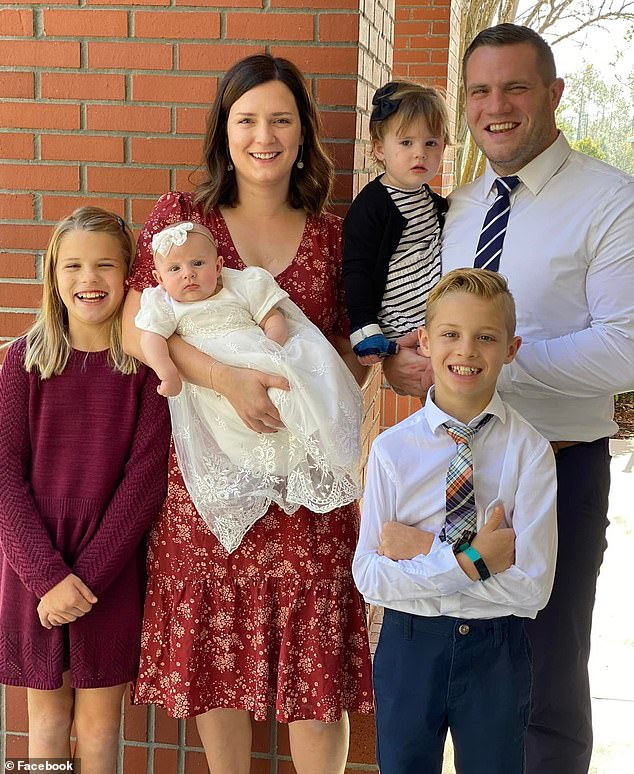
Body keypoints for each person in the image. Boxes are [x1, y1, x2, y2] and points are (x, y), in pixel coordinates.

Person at [386, 23, 634, 774]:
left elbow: (626, 346)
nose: (497, 106)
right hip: (443, 474)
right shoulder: (453, 208)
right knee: (445, 678)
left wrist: (488, 368)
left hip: (554, 474)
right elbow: (434, 332)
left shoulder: (610, 201)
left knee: (543, 688)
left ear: (554, 94)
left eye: (516, 87)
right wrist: (412, 357)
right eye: (481, 91)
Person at [121, 54, 373, 773]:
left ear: (303, 135)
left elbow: (351, 348)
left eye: (281, 120)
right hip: (209, 488)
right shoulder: (181, 221)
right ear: (223, 132)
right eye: (247, 120)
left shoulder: (333, 235)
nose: (264, 136)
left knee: (316, 682)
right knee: (215, 666)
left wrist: (311, 393)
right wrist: (228, 379)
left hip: (306, 490)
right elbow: (138, 327)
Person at [353, 268, 558, 774]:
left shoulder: (529, 452)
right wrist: (469, 561)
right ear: (424, 341)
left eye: (485, 337)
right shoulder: (391, 450)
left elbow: (531, 588)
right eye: (450, 334)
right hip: (409, 646)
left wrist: (422, 550)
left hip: (496, 652)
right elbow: (370, 577)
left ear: (510, 348)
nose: (466, 350)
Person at [0, 207, 170, 772]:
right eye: (72, 265)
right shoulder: (23, 362)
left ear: (129, 277)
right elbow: (5, 479)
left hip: (110, 573)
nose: (88, 279)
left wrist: (86, 582)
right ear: (53, 275)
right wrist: (50, 579)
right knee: (44, 728)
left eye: (104, 265)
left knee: (99, 731)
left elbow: (143, 487)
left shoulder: (147, 370)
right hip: (33, 575)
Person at [135, 220, 362, 552]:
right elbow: (150, 340)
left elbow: (273, 317)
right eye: (175, 268)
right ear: (159, 279)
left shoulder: (242, 284)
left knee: (288, 391)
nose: (188, 274)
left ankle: (315, 440)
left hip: (258, 355)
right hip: (214, 386)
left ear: (218, 265)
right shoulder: (163, 304)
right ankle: (261, 465)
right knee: (232, 428)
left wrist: (273, 348)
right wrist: (167, 372)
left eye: (198, 264)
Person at [342, 81, 449, 364]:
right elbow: (357, 268)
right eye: (406, 142)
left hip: (438, 324)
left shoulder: (436, 204)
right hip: (399, 327)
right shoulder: (372, 205)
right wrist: (364, 325)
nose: (420, 153)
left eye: (431, 143)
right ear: (379, 149)